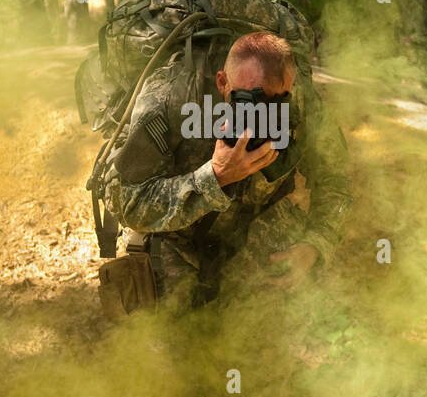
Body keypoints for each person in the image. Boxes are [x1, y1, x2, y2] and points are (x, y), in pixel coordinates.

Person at [101, 30, 352, 308]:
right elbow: (126, 202)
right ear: (223, 82)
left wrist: (316, 244)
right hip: (176, 233)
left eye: (277, 102)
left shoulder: (303, 104)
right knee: (167, 328)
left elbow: (337, 183)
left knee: (276, 320)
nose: (264, 114)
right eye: (250, 100)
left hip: (252, 228)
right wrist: (215, 177)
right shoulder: (171, 97)